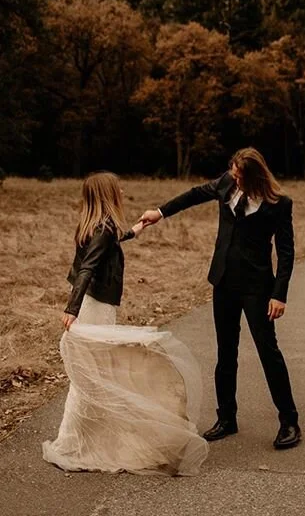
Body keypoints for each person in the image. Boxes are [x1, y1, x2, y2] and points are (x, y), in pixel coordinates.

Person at [42, 171, 208, 475]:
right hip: (94, 307)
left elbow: (106, 245)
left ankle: (77, 438)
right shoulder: (103, 227)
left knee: (90, 374)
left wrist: (133, 231)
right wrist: (72, 308)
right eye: (116, 186)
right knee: (94, 375)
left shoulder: (95, 224)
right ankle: (76, 443)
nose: (121, 188)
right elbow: (89, 267)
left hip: (93, 304)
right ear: (107, 193)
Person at [140, 147, 301, 449]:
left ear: (254, 177)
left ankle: (289, 421)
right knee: (226, 353)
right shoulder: (226, 184)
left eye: (239, 175)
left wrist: (279, 295)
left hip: (257, 288)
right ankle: (227, 418)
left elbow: (287, 253)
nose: (233, 177)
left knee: (269, 353)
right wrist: (159, 212)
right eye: (233, 171)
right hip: (224, 282)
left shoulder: (279, 204)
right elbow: (193, 195)